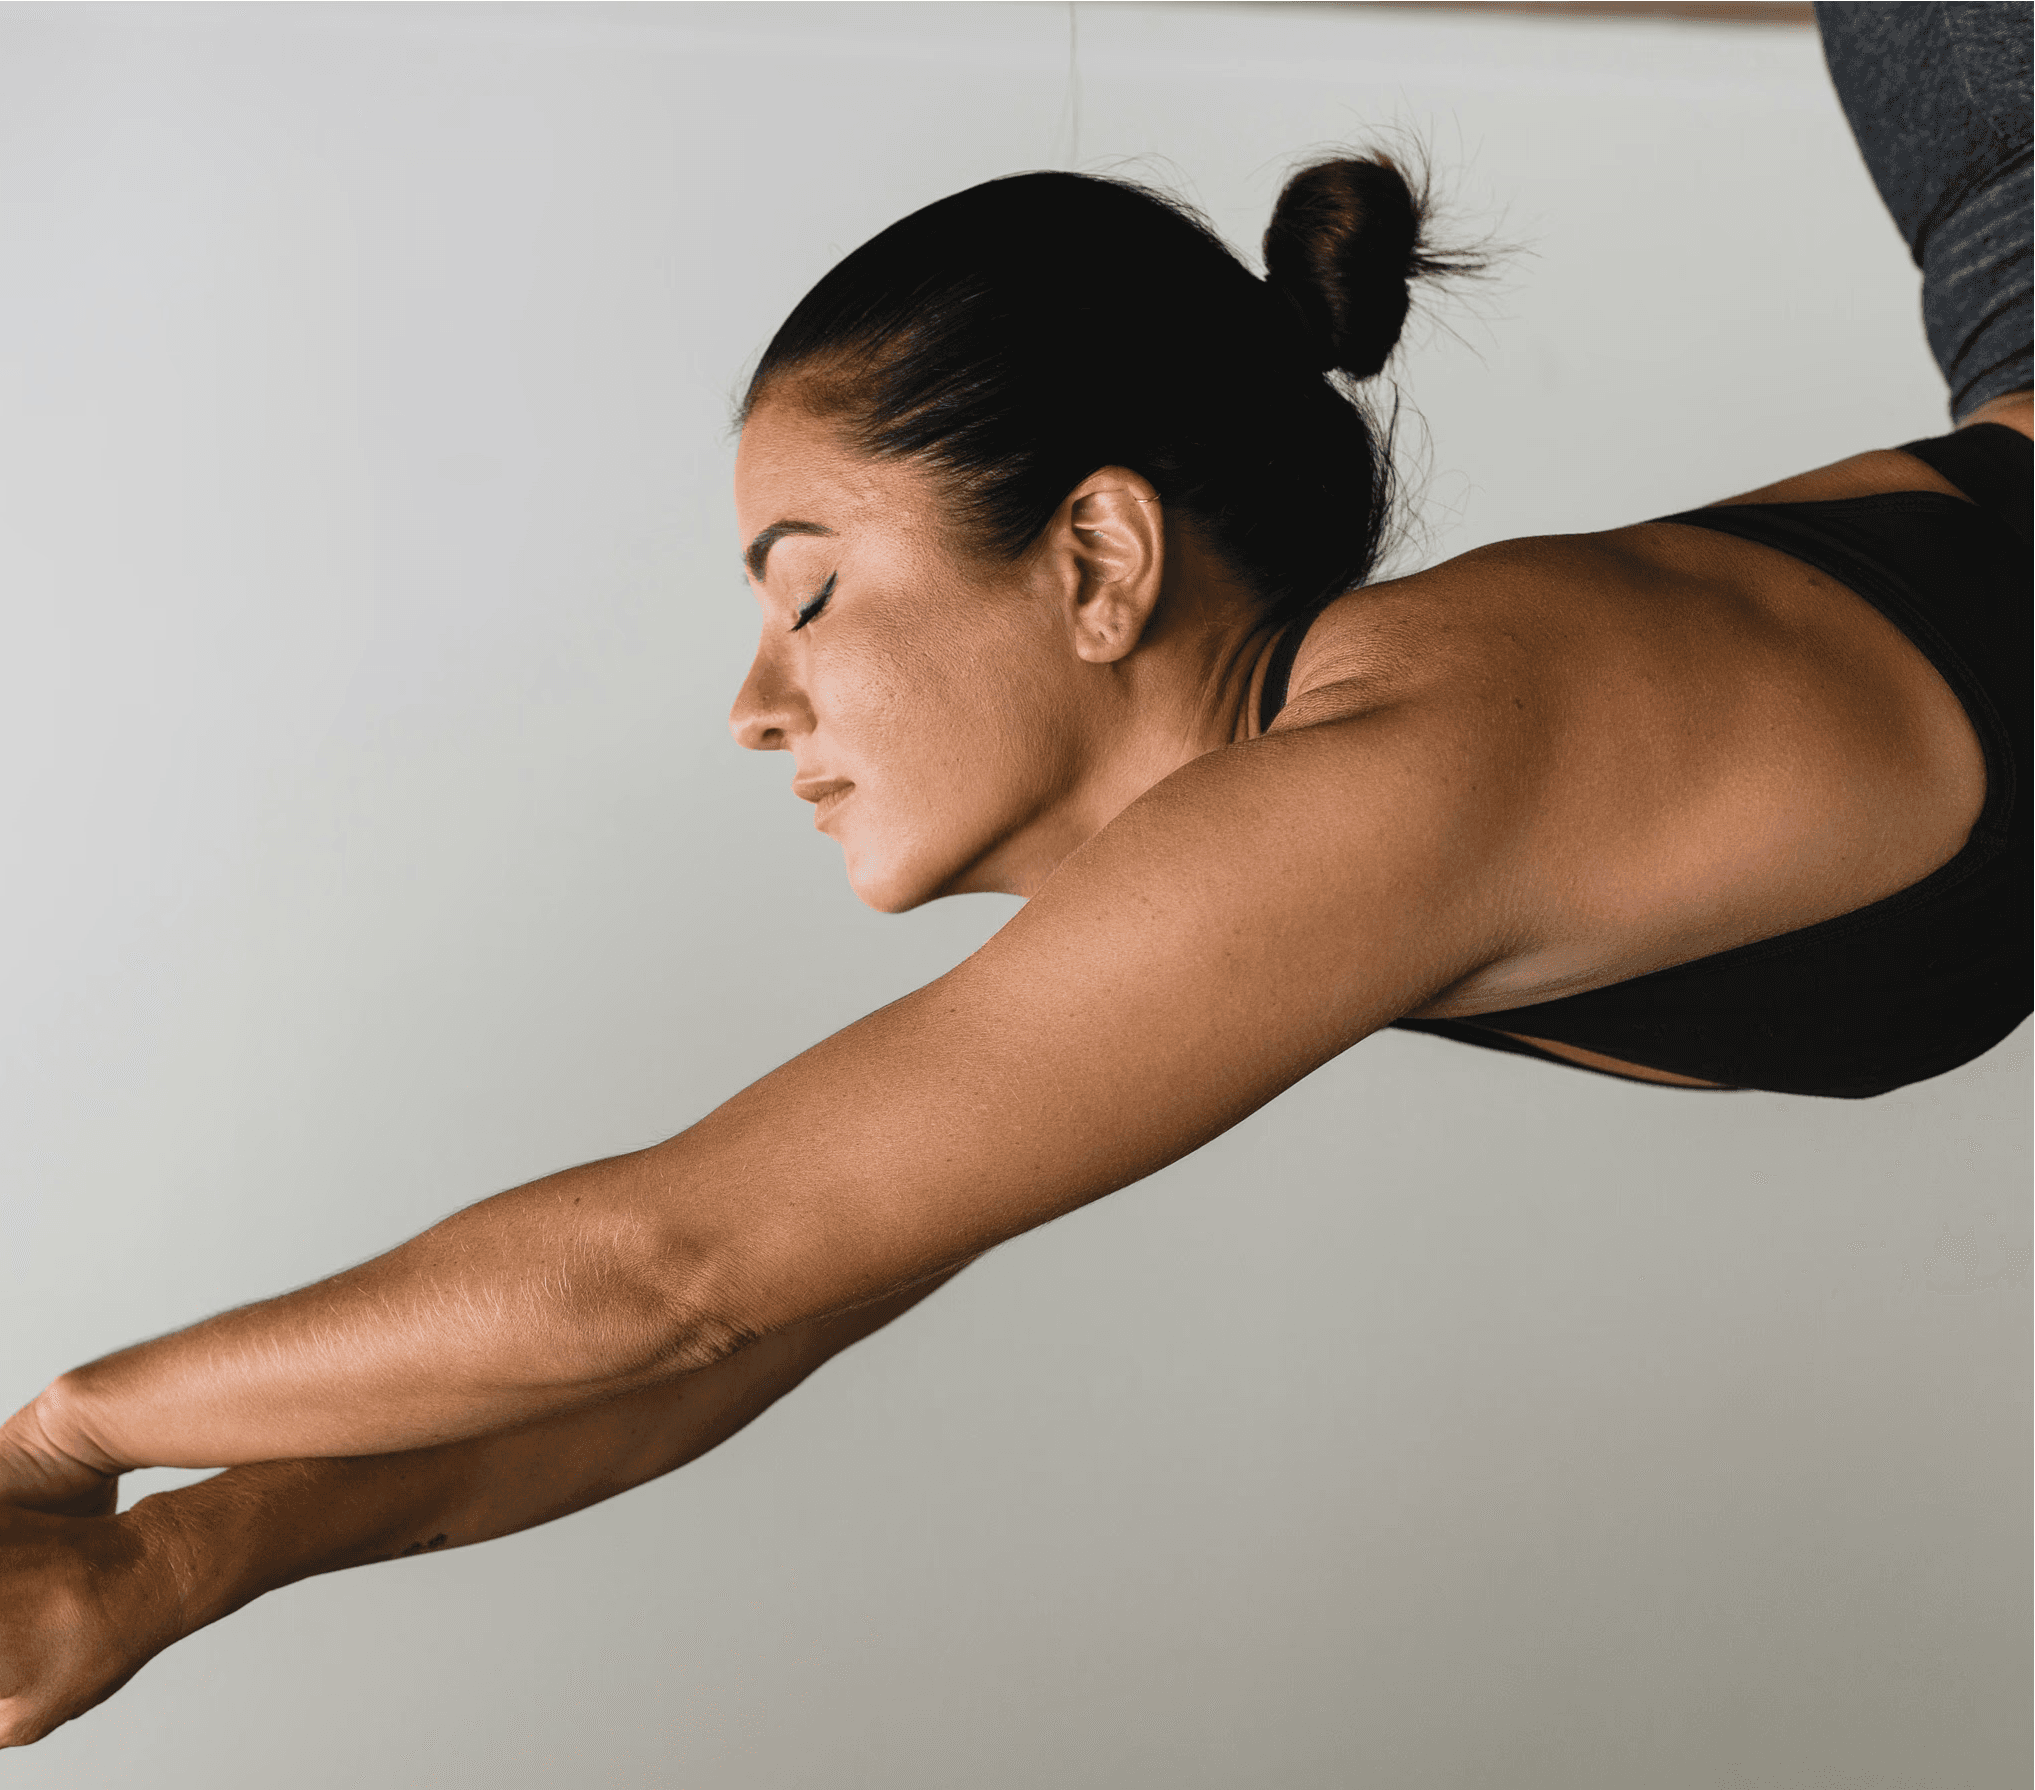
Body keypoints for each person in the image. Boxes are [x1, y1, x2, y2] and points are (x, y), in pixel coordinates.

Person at [0, 1, 2026, 1750]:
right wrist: (174, 1560)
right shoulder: (1293, 853)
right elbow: (728, 1330)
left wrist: (73, 1430)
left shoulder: (1391, 779)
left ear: (1096, 561)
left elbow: (676, 1274)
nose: (754, 705)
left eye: (808, 591)